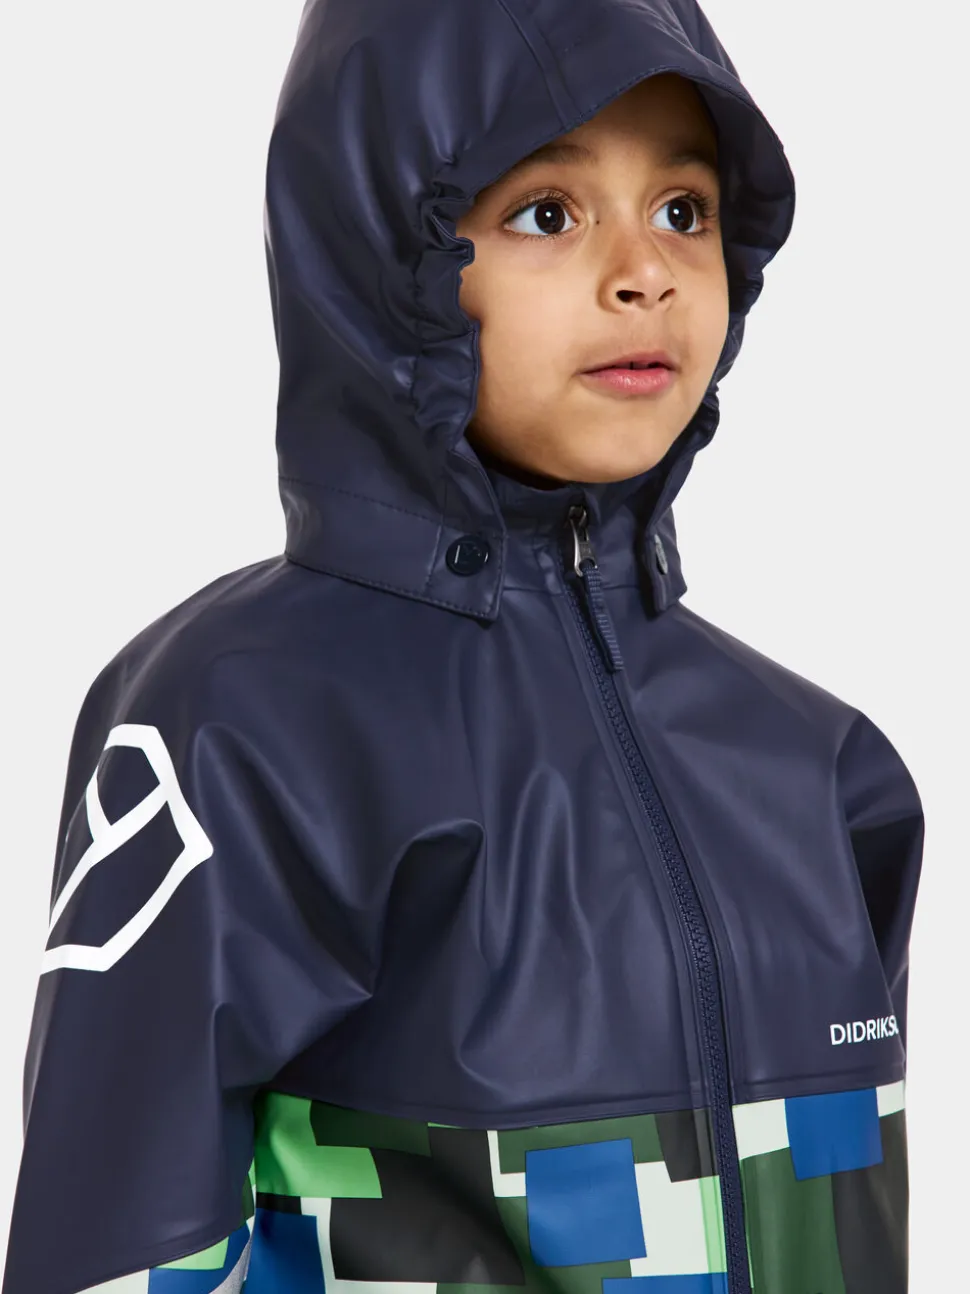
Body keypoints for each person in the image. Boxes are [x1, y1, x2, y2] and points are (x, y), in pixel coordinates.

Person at [1, 0, 924, 1291]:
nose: (644, 272)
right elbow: (114, 1250)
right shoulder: (244, 719)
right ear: (389, 261)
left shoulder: (819, 767)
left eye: (684, 210)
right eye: (546, 213)